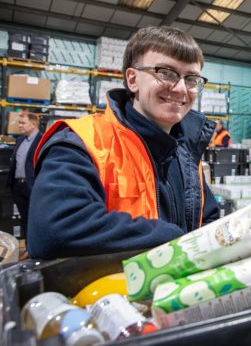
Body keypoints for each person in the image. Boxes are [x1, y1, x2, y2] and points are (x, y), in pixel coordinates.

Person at [28, 26, 220, 259]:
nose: (180, 89)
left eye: (191, 79)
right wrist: (173, 241)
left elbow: (208, 217)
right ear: (133, 79)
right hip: (109, 293)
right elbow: (55, 230)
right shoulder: (82, 142)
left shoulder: (186, 151)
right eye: (166, 73)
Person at [7, 111, 42, 241]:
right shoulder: (20, 140)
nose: (19, 125)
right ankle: (28, 248)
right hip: (18, 186)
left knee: (34, 219)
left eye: (23, 123)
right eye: (19, 122)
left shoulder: (42, 141)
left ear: (33, 124)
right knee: (24, 219)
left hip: (32, 186)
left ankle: (34, 248)